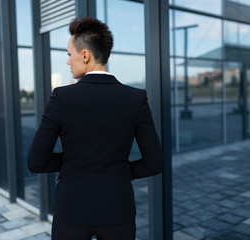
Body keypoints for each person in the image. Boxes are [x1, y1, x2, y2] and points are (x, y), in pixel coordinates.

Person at [27, 17, 163, 240]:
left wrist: (73, 162)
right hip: (117, 210)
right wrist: (121, 170)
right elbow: (154, 163)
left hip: (71, 210)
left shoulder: (61, 97)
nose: (68, 62)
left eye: (69, 55)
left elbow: (36, 161)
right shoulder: (135, 98)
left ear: (85, 55)